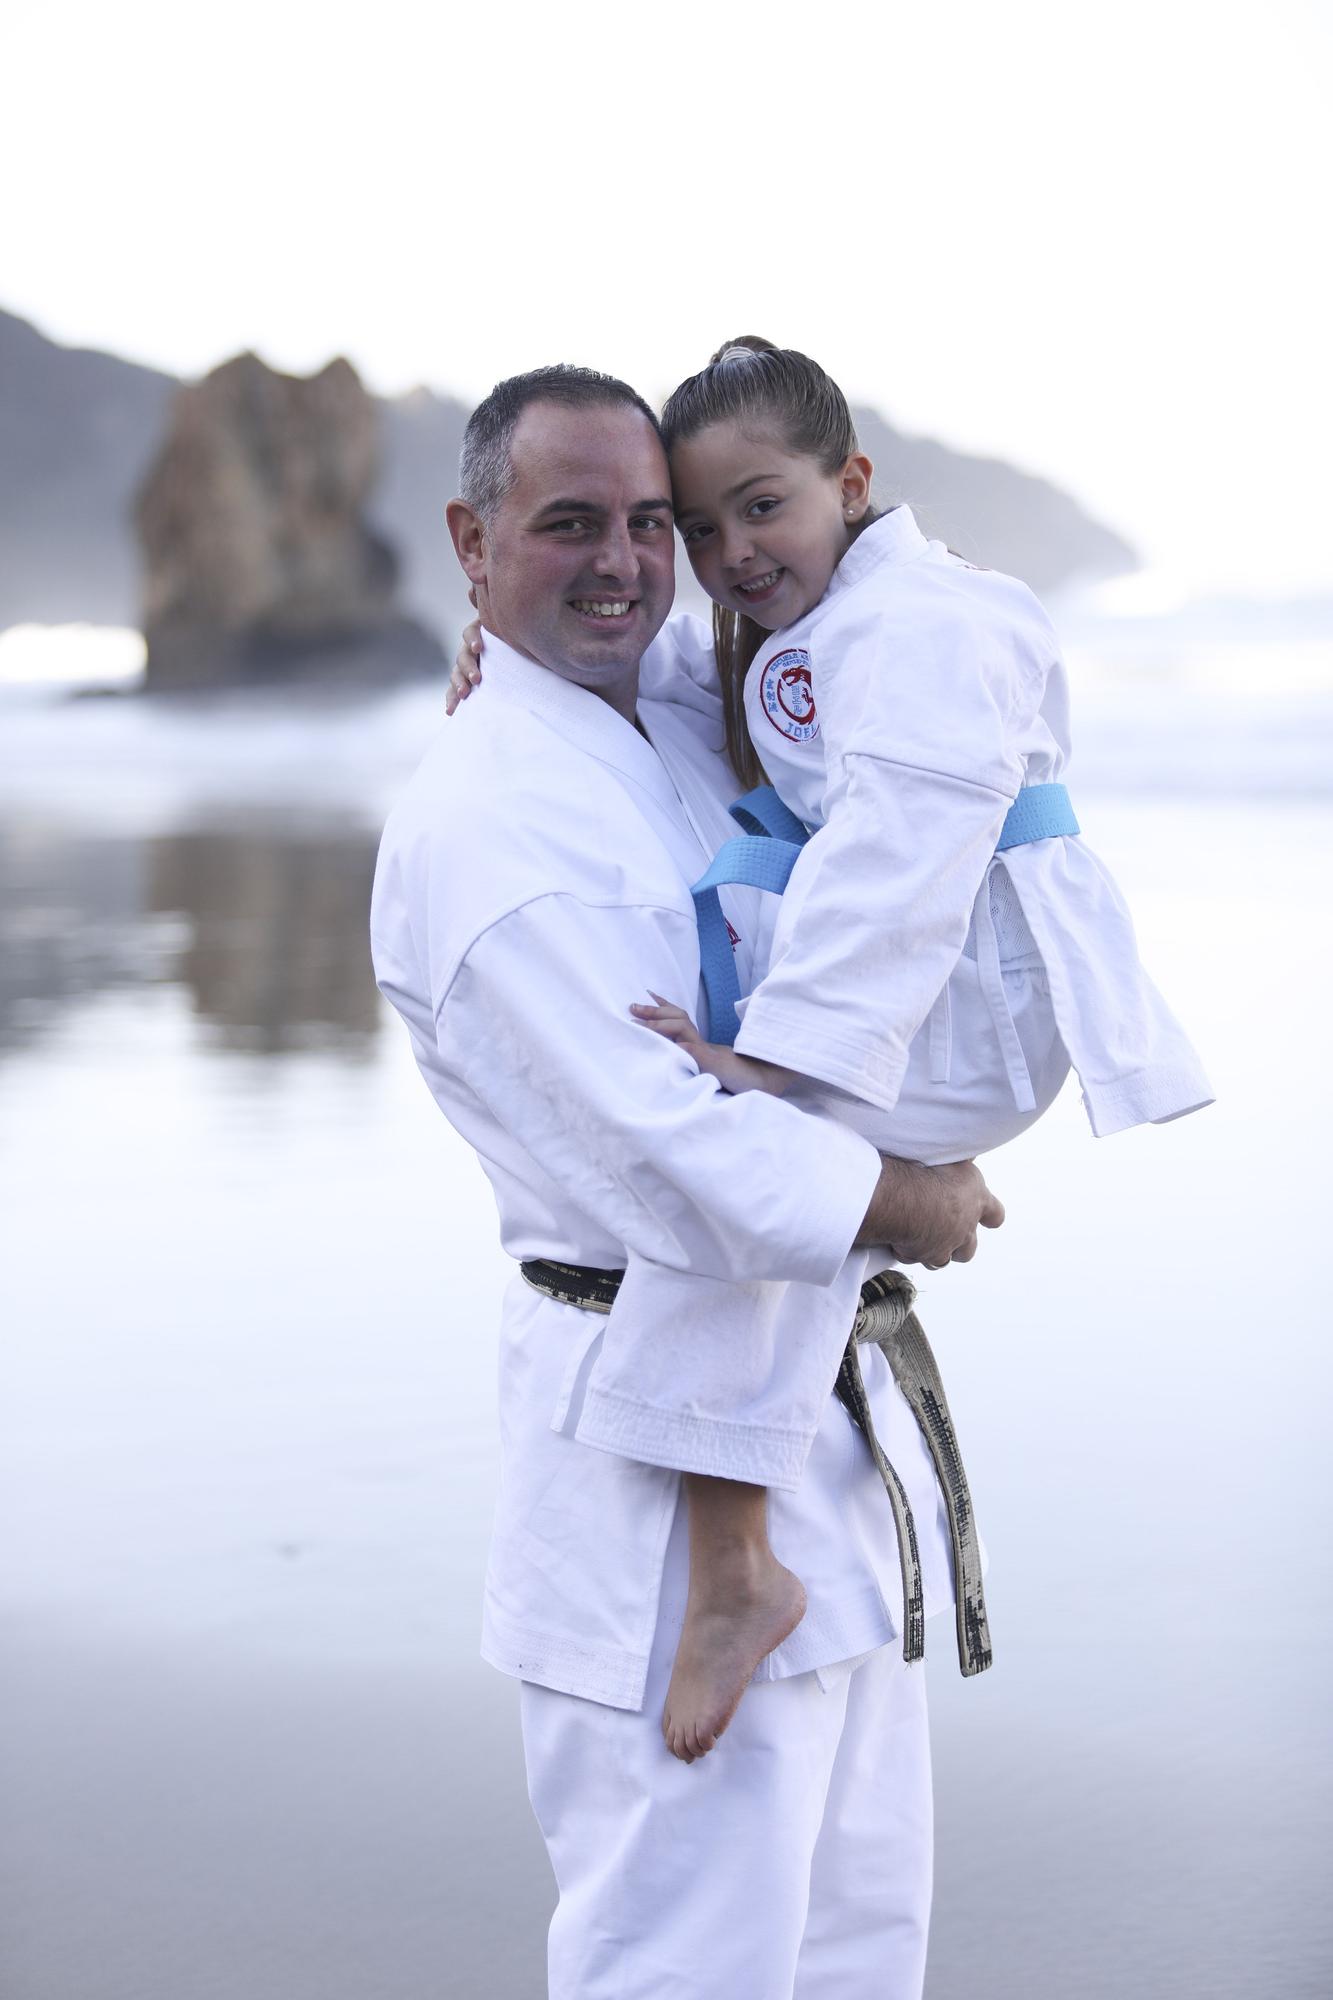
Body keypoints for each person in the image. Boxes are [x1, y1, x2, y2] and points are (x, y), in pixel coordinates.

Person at [447, 338, 1212, 1767]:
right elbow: (682, 680)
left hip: (965, 998)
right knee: (717, 1150)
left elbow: (894, 861)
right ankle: (735, 1555)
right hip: (928, 996)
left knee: (726, 1134)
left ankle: (735, 1567)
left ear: (850, 485)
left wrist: (786, 1067)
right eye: (698, 524)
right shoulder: (820, 620)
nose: (726, 555)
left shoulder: (926, 628)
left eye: (761, 508)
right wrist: (504, 646)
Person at [371, 364, 1004, 1999]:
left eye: (651, 523)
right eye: (567, 524)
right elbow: (673, 1158)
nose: (625, 563)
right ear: (470, 536)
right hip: (645, 1479)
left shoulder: (643, 714)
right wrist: (908, 1199)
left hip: (811, 1451)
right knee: (689, 1963)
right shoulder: (490, 829)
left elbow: (830, 652)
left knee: (858, 1953)